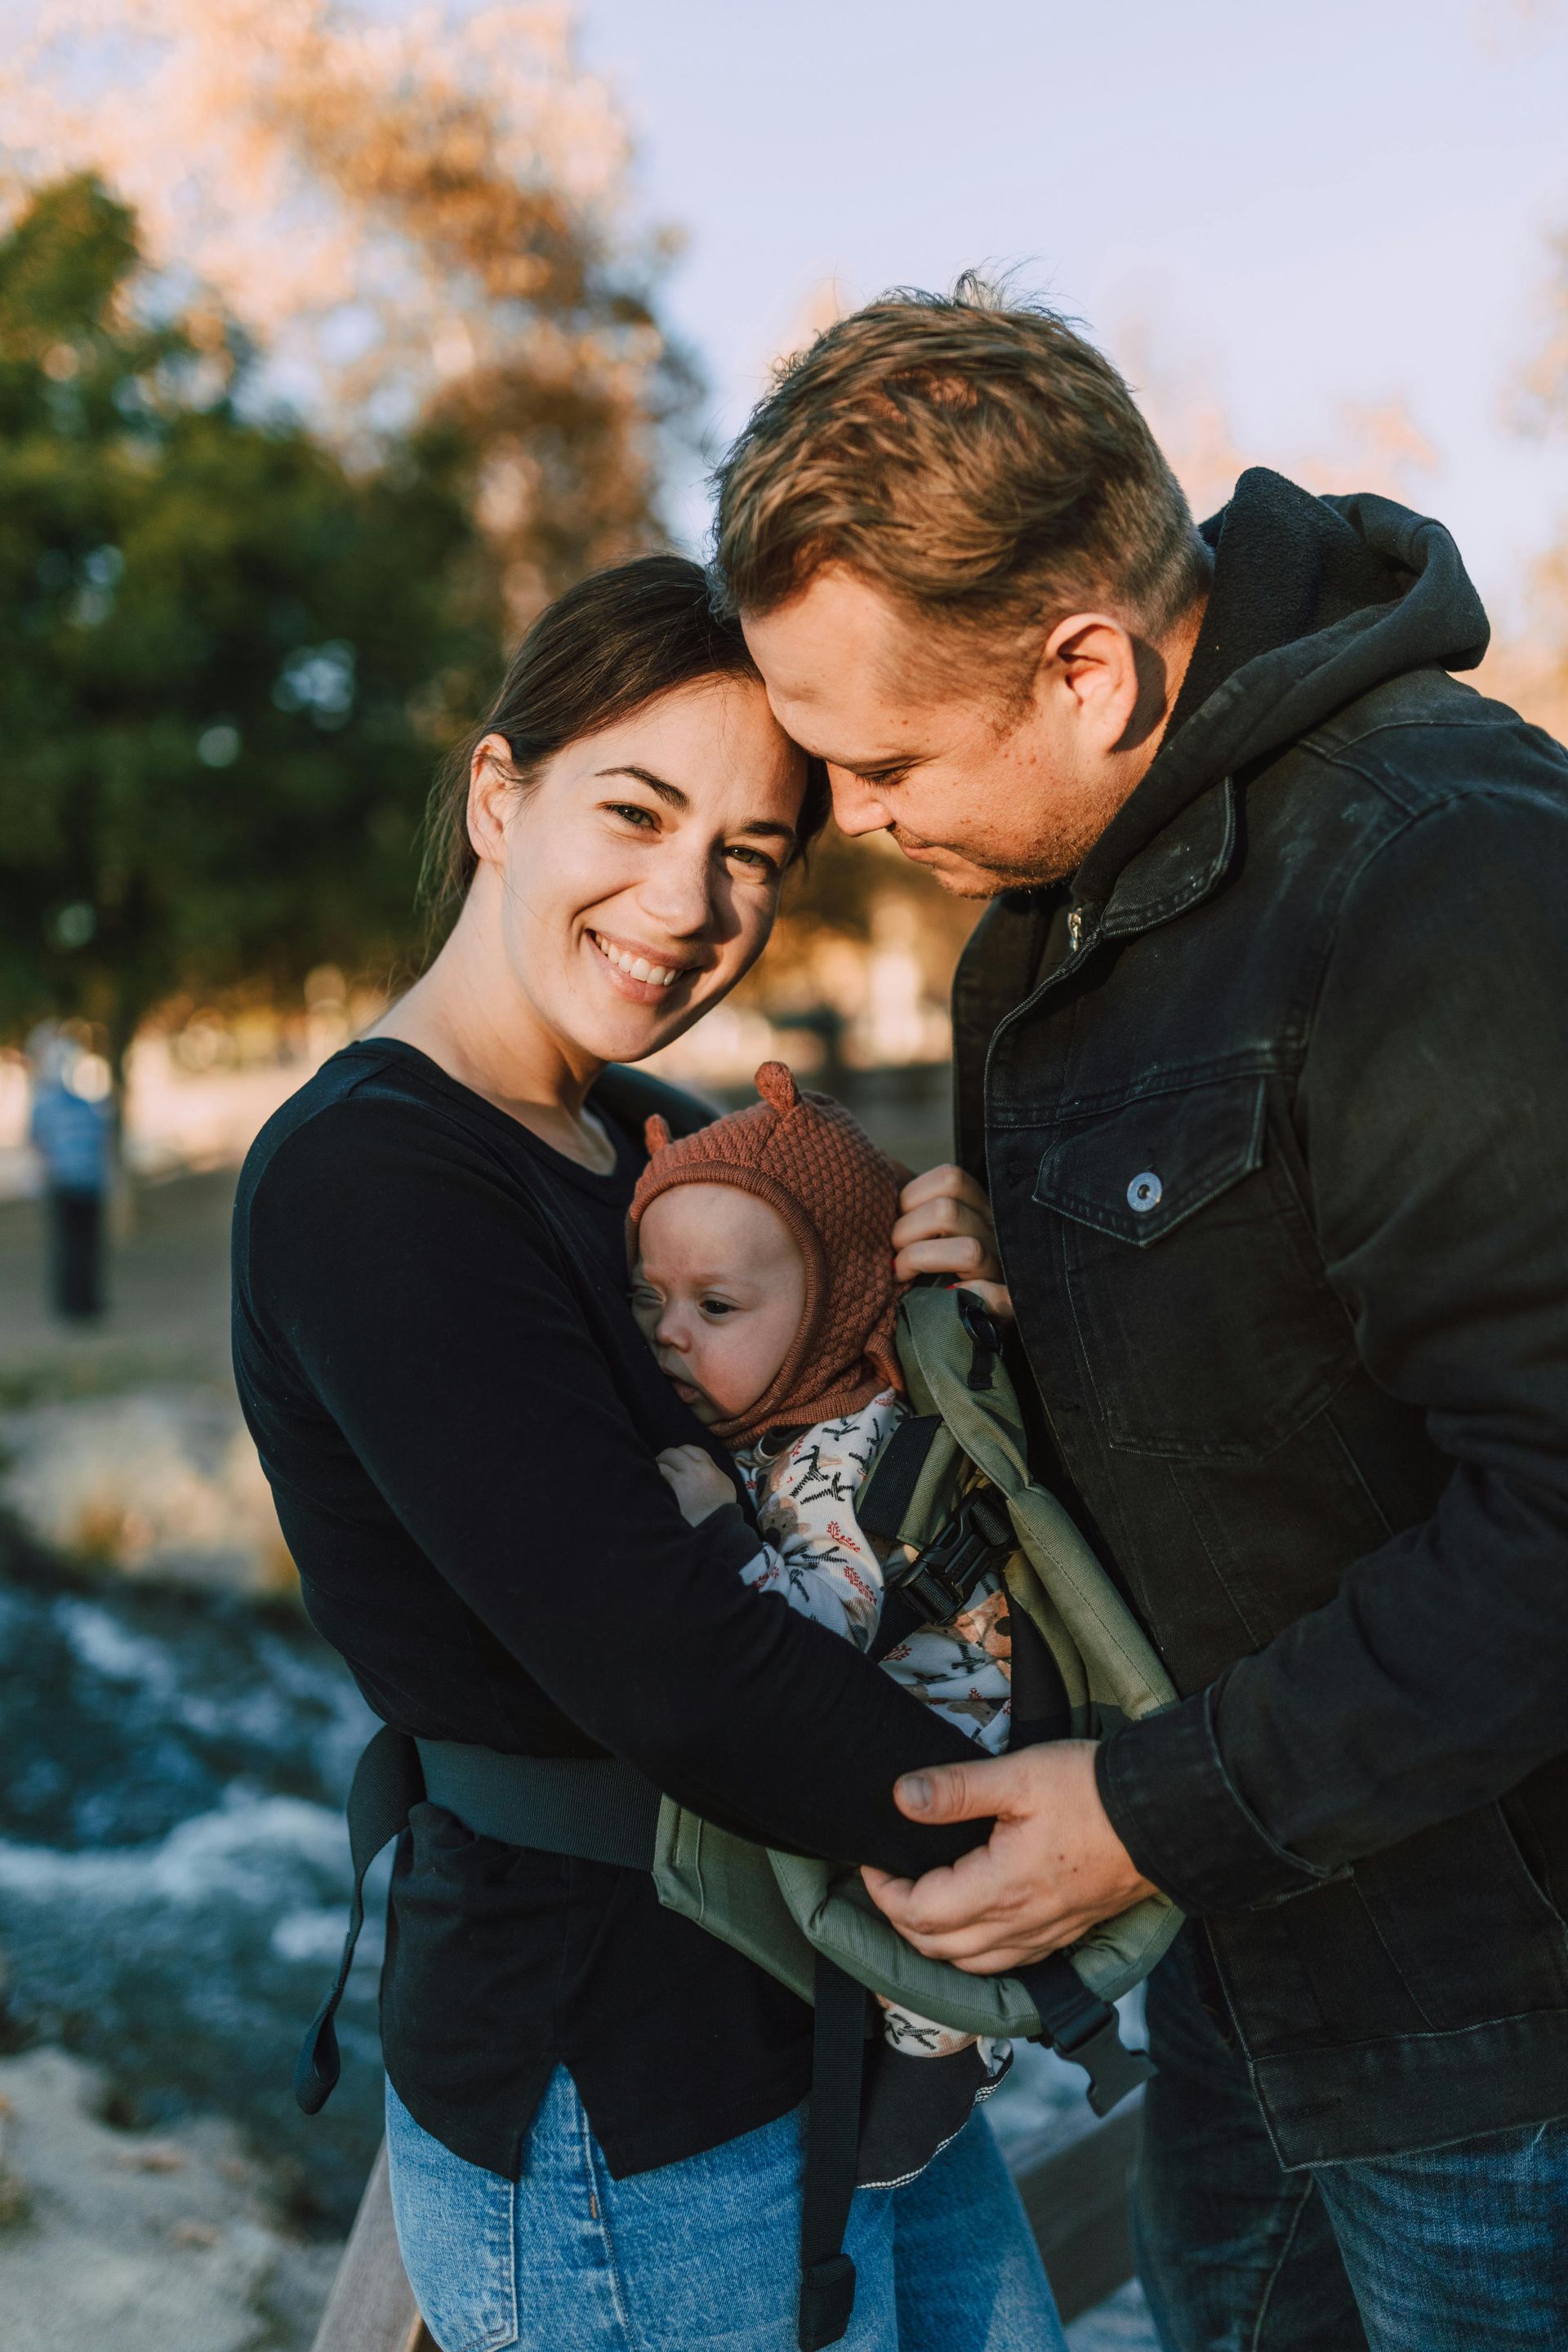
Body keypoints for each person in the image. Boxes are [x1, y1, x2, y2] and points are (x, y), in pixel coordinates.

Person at [712, 280, 1568, 2350]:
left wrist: (1129, 1816)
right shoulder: (1070, 905)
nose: (849, 819)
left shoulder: (1436, 873)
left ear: (1086, 666)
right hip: (1245, 1988)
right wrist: (1046, 1307)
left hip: (1493, 2043)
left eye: (882, 756)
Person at [231, 556, 1063, 2352]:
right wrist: (1049, 1838)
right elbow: (660, 1660)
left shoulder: (669, 1146)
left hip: (835, 2012)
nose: (688, 902)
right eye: (635, 808)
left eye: (752, 853)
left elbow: (875, 1467)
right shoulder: (374, 1182)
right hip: (619, 2092)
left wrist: (958, 1316)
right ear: (497, 796)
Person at [630, 1059, 1013, 2145]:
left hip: (941, 1747)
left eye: (715, 1306)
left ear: (838, 1303)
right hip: (895, 1747)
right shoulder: (782, 1432)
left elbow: (819, 1635)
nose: (672, 1335)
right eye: (651, 1301)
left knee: (911, 1902)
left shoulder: (853, 1452)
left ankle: (946, 2043)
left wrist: (718, 1531)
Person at [29, 1026, 112, 1321]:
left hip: (90, 1182)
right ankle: (70, 1305)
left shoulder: (90, 1102)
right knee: (68, 1246)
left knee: (88, 1245)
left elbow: (100, 1140)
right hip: (65, 1183)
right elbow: (38, 1143)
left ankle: (87, 1301)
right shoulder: (45, 1105)